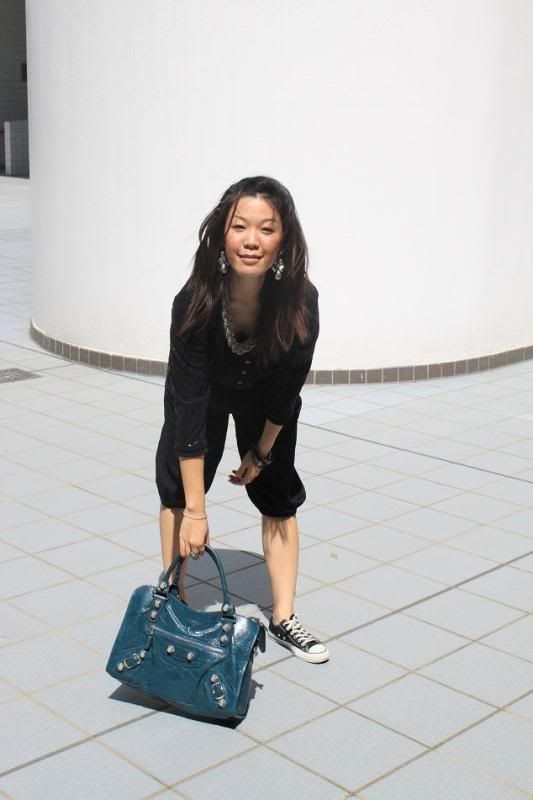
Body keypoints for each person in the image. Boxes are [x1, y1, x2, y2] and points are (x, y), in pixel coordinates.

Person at [155, 176, 329, 664]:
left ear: (284, 239)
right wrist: (196, 511)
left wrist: (262, 452)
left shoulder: (300, 300)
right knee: (177, 491)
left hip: (264, 398)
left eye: (266, 229)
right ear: (221, 233)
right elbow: (189, 405)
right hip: (203, 397)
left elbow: (288, 388)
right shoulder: (194, 300)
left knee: (278, 495)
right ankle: (174, 601)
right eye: (240, 227)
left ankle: (284, 616)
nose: (252, 241)